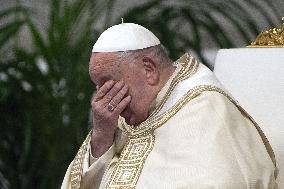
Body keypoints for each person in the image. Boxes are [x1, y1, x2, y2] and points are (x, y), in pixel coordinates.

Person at [61, 23, 278, 189]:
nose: (102, 97)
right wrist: (101, 137)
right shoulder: (117, 114)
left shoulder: (204, 108)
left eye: (108, 83)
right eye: (98, 86)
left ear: (149, 70)